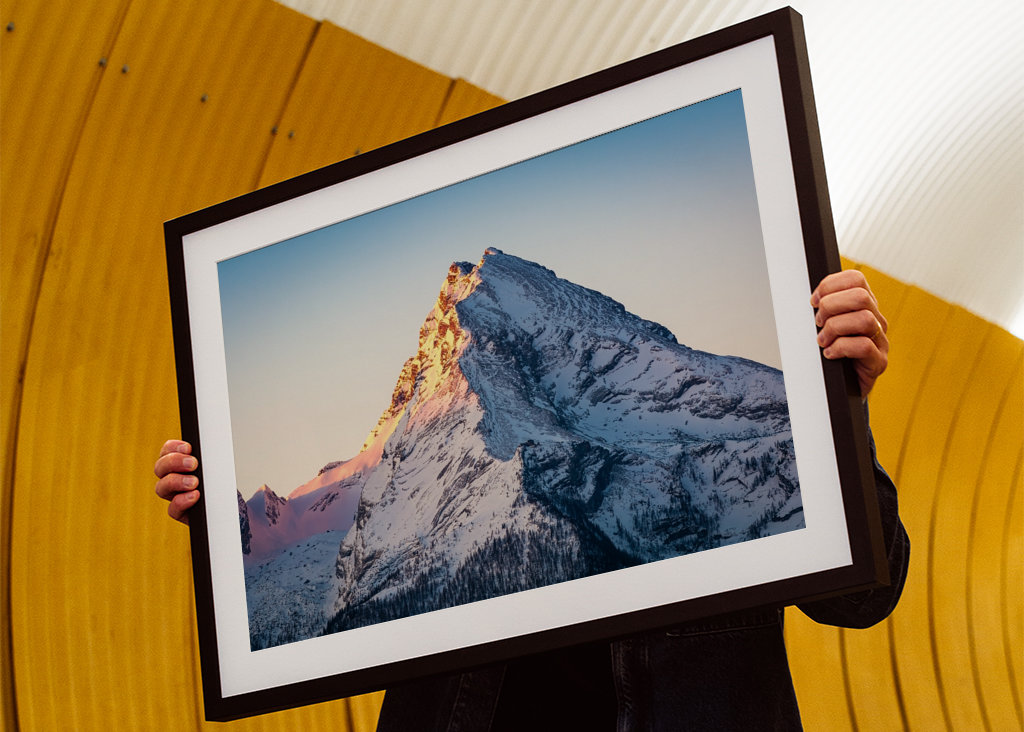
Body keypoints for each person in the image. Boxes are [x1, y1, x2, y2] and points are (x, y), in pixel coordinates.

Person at [155, 270, 908, 730]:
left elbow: (864, 595)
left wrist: (838, 409)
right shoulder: (425, 458)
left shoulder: (749, 426)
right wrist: (228, 539)